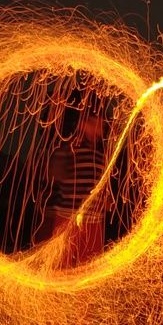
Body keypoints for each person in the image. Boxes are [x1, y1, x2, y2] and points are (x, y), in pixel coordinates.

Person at [41, 105, 107, 266]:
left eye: (101, 127)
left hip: (93, 220)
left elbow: (100, 183)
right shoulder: (69, 149)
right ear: (82, 125)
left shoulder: (100, 155)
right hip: (67, 217)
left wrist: (105, 199)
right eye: (95, 125)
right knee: (61, 264)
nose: (99, 130)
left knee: (89, 267)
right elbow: (52, 176)